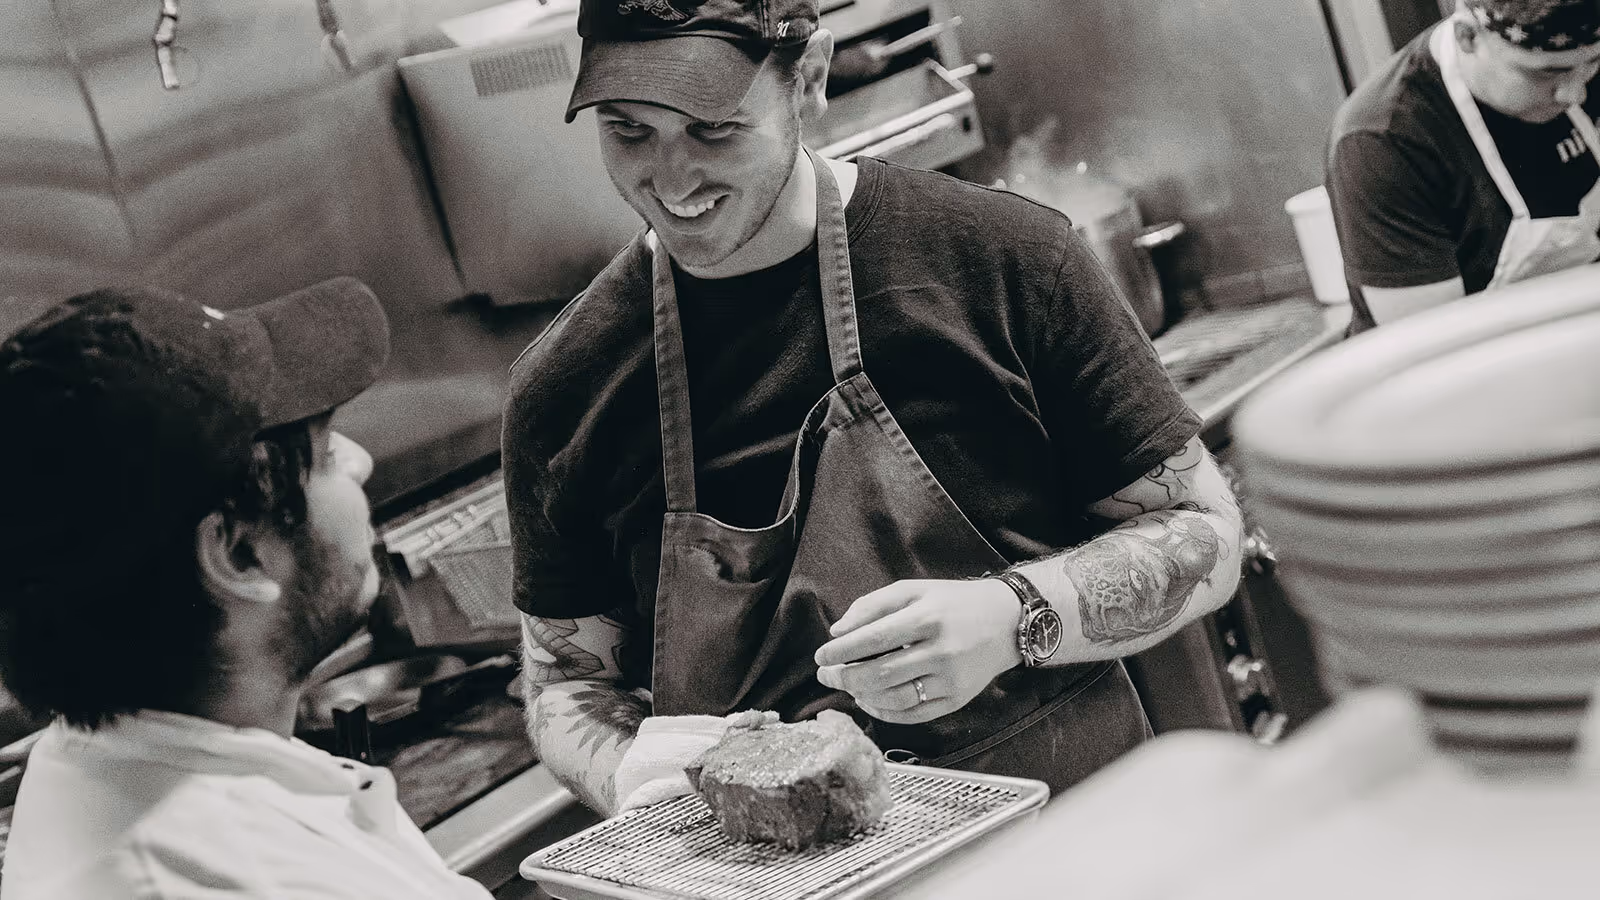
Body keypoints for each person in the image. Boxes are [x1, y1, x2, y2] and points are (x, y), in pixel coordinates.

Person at [504, 0, 1245, 816]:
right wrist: (620, 770)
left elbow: (1204, 533)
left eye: (714, 130)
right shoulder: (566, 387)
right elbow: (566, 680)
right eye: (629, 131)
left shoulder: (1003, 262)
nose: (672, 180)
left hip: (1073, 840)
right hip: (767, 871)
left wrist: (1012, 615)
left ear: (810, 79)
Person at [0, 280, 492, 899]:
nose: (362, 460)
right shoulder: (262, 880)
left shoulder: (95, 760)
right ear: (241, 554)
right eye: (326, 456)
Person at [1327, 0, 1600, 334]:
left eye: (1592, 64)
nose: (1574, 94)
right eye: (1546, 73)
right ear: (1467, 37)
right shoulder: (1385, 139)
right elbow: (1428, 345)